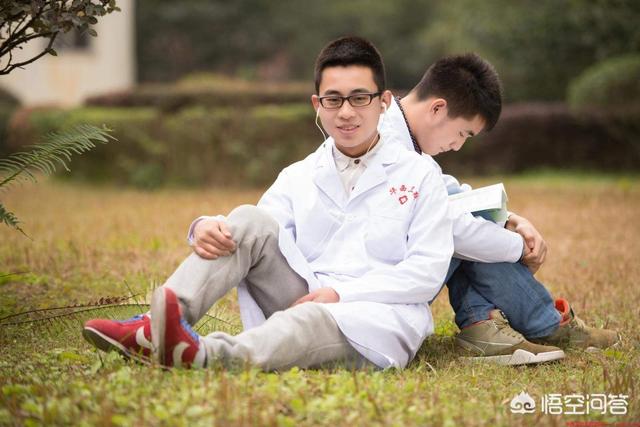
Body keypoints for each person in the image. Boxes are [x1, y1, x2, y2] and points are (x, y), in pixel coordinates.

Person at [82, 36, 456, 370]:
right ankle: (155, 327)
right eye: (333, 99)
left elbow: (426, 273)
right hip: (304, 296)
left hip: (375, 320)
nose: (346, 112)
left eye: (360, 98)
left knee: (310, 319)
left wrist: (341, 295)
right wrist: (207, 226)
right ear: (317, 104)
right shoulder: (300, 174)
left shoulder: (421, 175)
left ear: (384, 102)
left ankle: (204, 355)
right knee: (248, 218)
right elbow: (258, 230)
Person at [378, 53, 619, 362]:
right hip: (383, 283)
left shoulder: (401, 135)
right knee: (464, 238)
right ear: (437, 108)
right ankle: (547, 325)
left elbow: (445, 192)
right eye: (463, 133)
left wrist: (509, 219)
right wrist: (518, 248)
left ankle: (481, 324)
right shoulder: (388, 144)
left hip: (392, 266)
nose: (458, 146)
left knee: (474, 225)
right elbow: (448, 226)